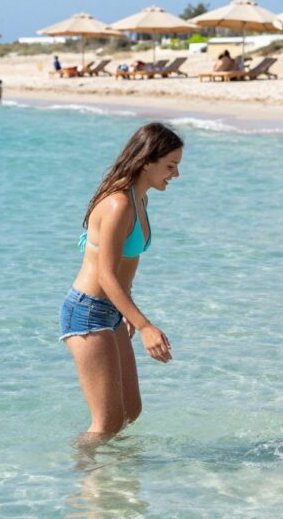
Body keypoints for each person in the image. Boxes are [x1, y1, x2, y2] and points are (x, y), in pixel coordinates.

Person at [60, 123, 183, 438]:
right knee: (106, 426)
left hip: (111, 309)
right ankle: (86, 484)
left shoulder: (139, 199)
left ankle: (114, 480)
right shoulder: (119, 204)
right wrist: (144, 325)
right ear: (146, 162)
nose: (176, 175)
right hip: (87, 312)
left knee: (131, 411)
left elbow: (123, 269)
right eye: (170, 166)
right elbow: (105, 273)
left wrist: (125, 312)